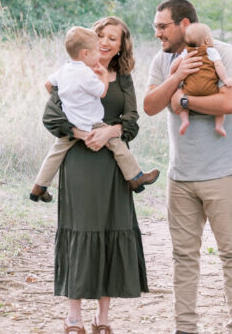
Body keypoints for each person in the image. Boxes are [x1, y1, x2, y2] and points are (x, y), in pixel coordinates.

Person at [144, 0, 232, 334]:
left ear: (184, 23)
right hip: (182, 174)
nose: (157, 32)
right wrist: (175, 78)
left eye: (163, 26)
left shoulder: (224, 52)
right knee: (183, 255)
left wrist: (185, 102)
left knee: (231, 253)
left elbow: (229, 103)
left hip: (224, 171)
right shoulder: (162, 60)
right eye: (156, 26)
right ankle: (185, 330)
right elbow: (150, 106)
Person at [43, 16, 149, 334]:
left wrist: (110, 131)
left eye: (113, 38)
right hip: (80, 163)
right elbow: (51, 117)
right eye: (100, 36)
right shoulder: (72, 72)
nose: (105, 42)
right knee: (82, 232)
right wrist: (84, 134)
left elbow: (132, 121)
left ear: (121, 46)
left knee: (111, 232)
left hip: (114, 167)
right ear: (90, 41)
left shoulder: (123, 79)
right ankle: (73, 320)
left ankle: (102, 321)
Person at [30, 25, 159, 202]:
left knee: (55, 153)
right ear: (85, 53)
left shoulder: (64, 69)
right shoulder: (86, 74)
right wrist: (104, 76)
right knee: (118, 146)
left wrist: (67, 100)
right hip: (92, 123)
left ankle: (39, 186)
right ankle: (136, 177)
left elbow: (48, 85)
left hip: (72, 122)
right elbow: (101, 92)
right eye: (97, 48)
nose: (101, 49)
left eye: (112, 39)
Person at [176, 21, 232, 137]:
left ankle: (185, 121)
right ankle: (219, 126)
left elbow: (175, 64)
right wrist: (225, 78)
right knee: (220, 108)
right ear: (207, 40)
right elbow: (218, 66)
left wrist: (173, 74)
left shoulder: (186, 52)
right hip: (209, 90)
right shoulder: (211, 51)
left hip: (189, 90)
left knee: (182, 103)